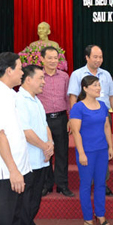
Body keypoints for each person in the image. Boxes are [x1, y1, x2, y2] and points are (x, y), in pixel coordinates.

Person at [0, 52, 32, 225]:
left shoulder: (9, 94)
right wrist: (13, 170)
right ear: (9, 71)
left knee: (14, 220)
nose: (22, 73)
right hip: (5, 171)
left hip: (15, 167)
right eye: (19, 68)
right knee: (1, 222)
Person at [68, 45, 113, 196]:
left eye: (100, 57)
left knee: (103, 147)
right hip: (84, 116)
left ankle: (102, 182)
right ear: (87, 57)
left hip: (103, 115)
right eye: (95, 57)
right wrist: (73, 118)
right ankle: (88, 181)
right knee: (86, 147)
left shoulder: (106, 75)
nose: (98, 60)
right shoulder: (77, 75)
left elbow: (111, 96)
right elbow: (73, 97)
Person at [70, 75, 113, 225]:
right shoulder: (78, 107)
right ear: (85, 88)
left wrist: (110, 147)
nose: (98, 88)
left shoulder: (102, 105)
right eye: (95, 85)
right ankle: (88, 218)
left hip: (102, 150)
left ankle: (100, 215)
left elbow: (106, 127)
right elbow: (76, 132)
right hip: (87, 151)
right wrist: (81, 153)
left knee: (101, 184)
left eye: (99, 85)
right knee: (86, 185)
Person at [16, 65, 54, 225]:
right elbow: (26, 131)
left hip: (41, 160)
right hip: (28, 161)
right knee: (25, 202)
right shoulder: (19, 100)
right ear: (28, 79)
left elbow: (45, 126)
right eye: (41, 78)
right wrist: (45, 147)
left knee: (35, 200)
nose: (44, 82)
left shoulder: (36, 100)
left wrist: (50, 144)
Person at [38, 46, 73, 197]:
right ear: (42, 59)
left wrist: (70, 118)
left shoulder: (65, 76)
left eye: (55, 58)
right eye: (49, 58)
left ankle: (62, 185)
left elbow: (68, 98)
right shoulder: (37, 76)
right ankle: (46, 184)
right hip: (42, 120)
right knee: (45, 152)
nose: (53, 61)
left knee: (62, 152)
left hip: (60, 118)